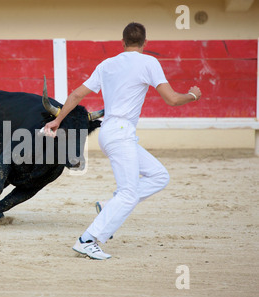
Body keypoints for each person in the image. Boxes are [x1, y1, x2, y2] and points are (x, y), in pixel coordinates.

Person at [44, 22, 202, 260]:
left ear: (123, 42)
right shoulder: (149, 62)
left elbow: (76, 94)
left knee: (159, 176)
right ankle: (88, 239)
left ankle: (109, 206)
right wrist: (192, 95)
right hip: (121, 133)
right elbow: (171, 99)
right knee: (128, 194)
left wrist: (57, 120)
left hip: (110, 132)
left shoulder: (107, 64)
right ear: (145, 42)